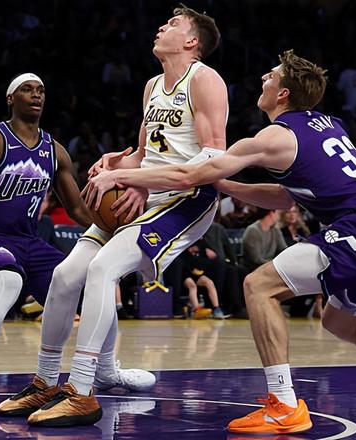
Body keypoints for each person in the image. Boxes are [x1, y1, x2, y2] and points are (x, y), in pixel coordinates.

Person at [90, 50, 356, 434]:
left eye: (270, 76)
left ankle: (284, 403)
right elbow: (285, 198)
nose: (263, 80)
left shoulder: (275, 136)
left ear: (283, 93)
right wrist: (224, 185)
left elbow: (188, 176)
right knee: (340, 322)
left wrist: (124, 177)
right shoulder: (327, 125)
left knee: (258, 286)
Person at [25, 6, 227, 427]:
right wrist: (117, 163)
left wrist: (131, 177)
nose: (162, 26)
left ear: (192, 41)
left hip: (188, 198)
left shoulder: (204, 79)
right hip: (149, 193)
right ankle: (45, 381)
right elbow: (146, 154)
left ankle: (81, 391)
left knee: (103, 269)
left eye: (173, 24)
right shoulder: (152, 85)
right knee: (66, 275)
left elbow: (210, 161)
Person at [0, 73, 151, 411]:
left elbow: (78, 209)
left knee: (94, 281)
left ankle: (107, 370)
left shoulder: (54, 151)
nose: (36, 95)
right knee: (9, 283)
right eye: (27, 90)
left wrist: (118, 238)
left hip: (29, 239)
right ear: (11, 98)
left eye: (40, 90)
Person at [241, 209, 287, 274]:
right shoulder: (253, 231)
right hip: (253, 271)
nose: (279, 215)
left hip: (270, 267)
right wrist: (277, 265)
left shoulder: (275, 230)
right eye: (278, 213)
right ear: (271, 214)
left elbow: (284, 250)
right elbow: (257, 260)